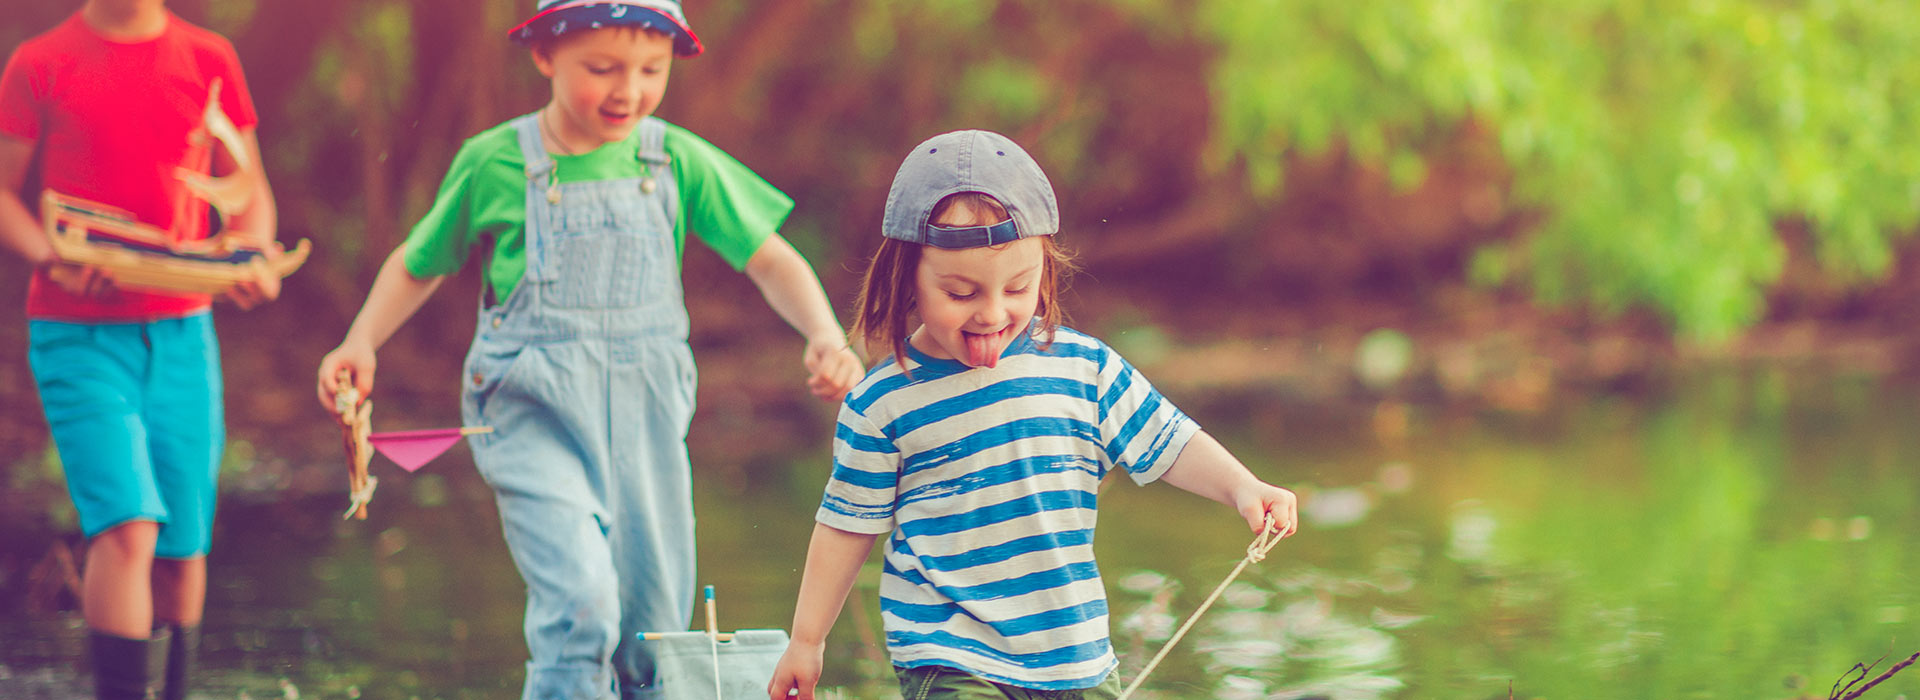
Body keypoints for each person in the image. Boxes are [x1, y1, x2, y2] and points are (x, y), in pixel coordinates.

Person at [313, 1, 863, 698]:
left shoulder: (674, 158)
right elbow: (418, 263)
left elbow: (770, 259)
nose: (627, 90)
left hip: (647, 422)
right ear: (544, 55)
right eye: (601, 68)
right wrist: (361, 340)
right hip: (527, 414)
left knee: (652, 628)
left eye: (650, 70)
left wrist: (822, 334)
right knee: (581, 603)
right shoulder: (495, 163)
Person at [766, 130, 1300, 700]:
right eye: (961, 293)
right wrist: (806, 640)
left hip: (1075, 661)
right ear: (908, 281)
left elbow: (1167, 441)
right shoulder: (881, 404)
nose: (993, 313)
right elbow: (848, 524)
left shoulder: (1082, 368)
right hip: (949, 656)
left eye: (1017, 287)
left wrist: (1243, 487)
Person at [0, 1, 281, 698]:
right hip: (79, 335)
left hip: (185, 334)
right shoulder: (40, 62)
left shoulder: (210, 57)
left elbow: (250, 196)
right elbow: (4, 194)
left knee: (183, 549)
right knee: (127, 527)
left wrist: (250, 257)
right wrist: (52, 257)